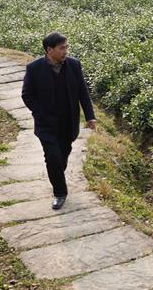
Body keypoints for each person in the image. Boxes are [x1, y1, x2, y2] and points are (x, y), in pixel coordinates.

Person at [21, 31, 97, 209]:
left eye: (66, 47)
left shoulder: (74, 65)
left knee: (62, 155)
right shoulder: (34, 68)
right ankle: (60, 192)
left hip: (68, 122)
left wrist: (90, 116)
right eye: (62, 48)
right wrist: (40, 112)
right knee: (52, 156)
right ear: (49, 50)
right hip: (46, 124)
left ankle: (56, 175)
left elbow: (82, 92)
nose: (65, 51)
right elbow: (27, 95)